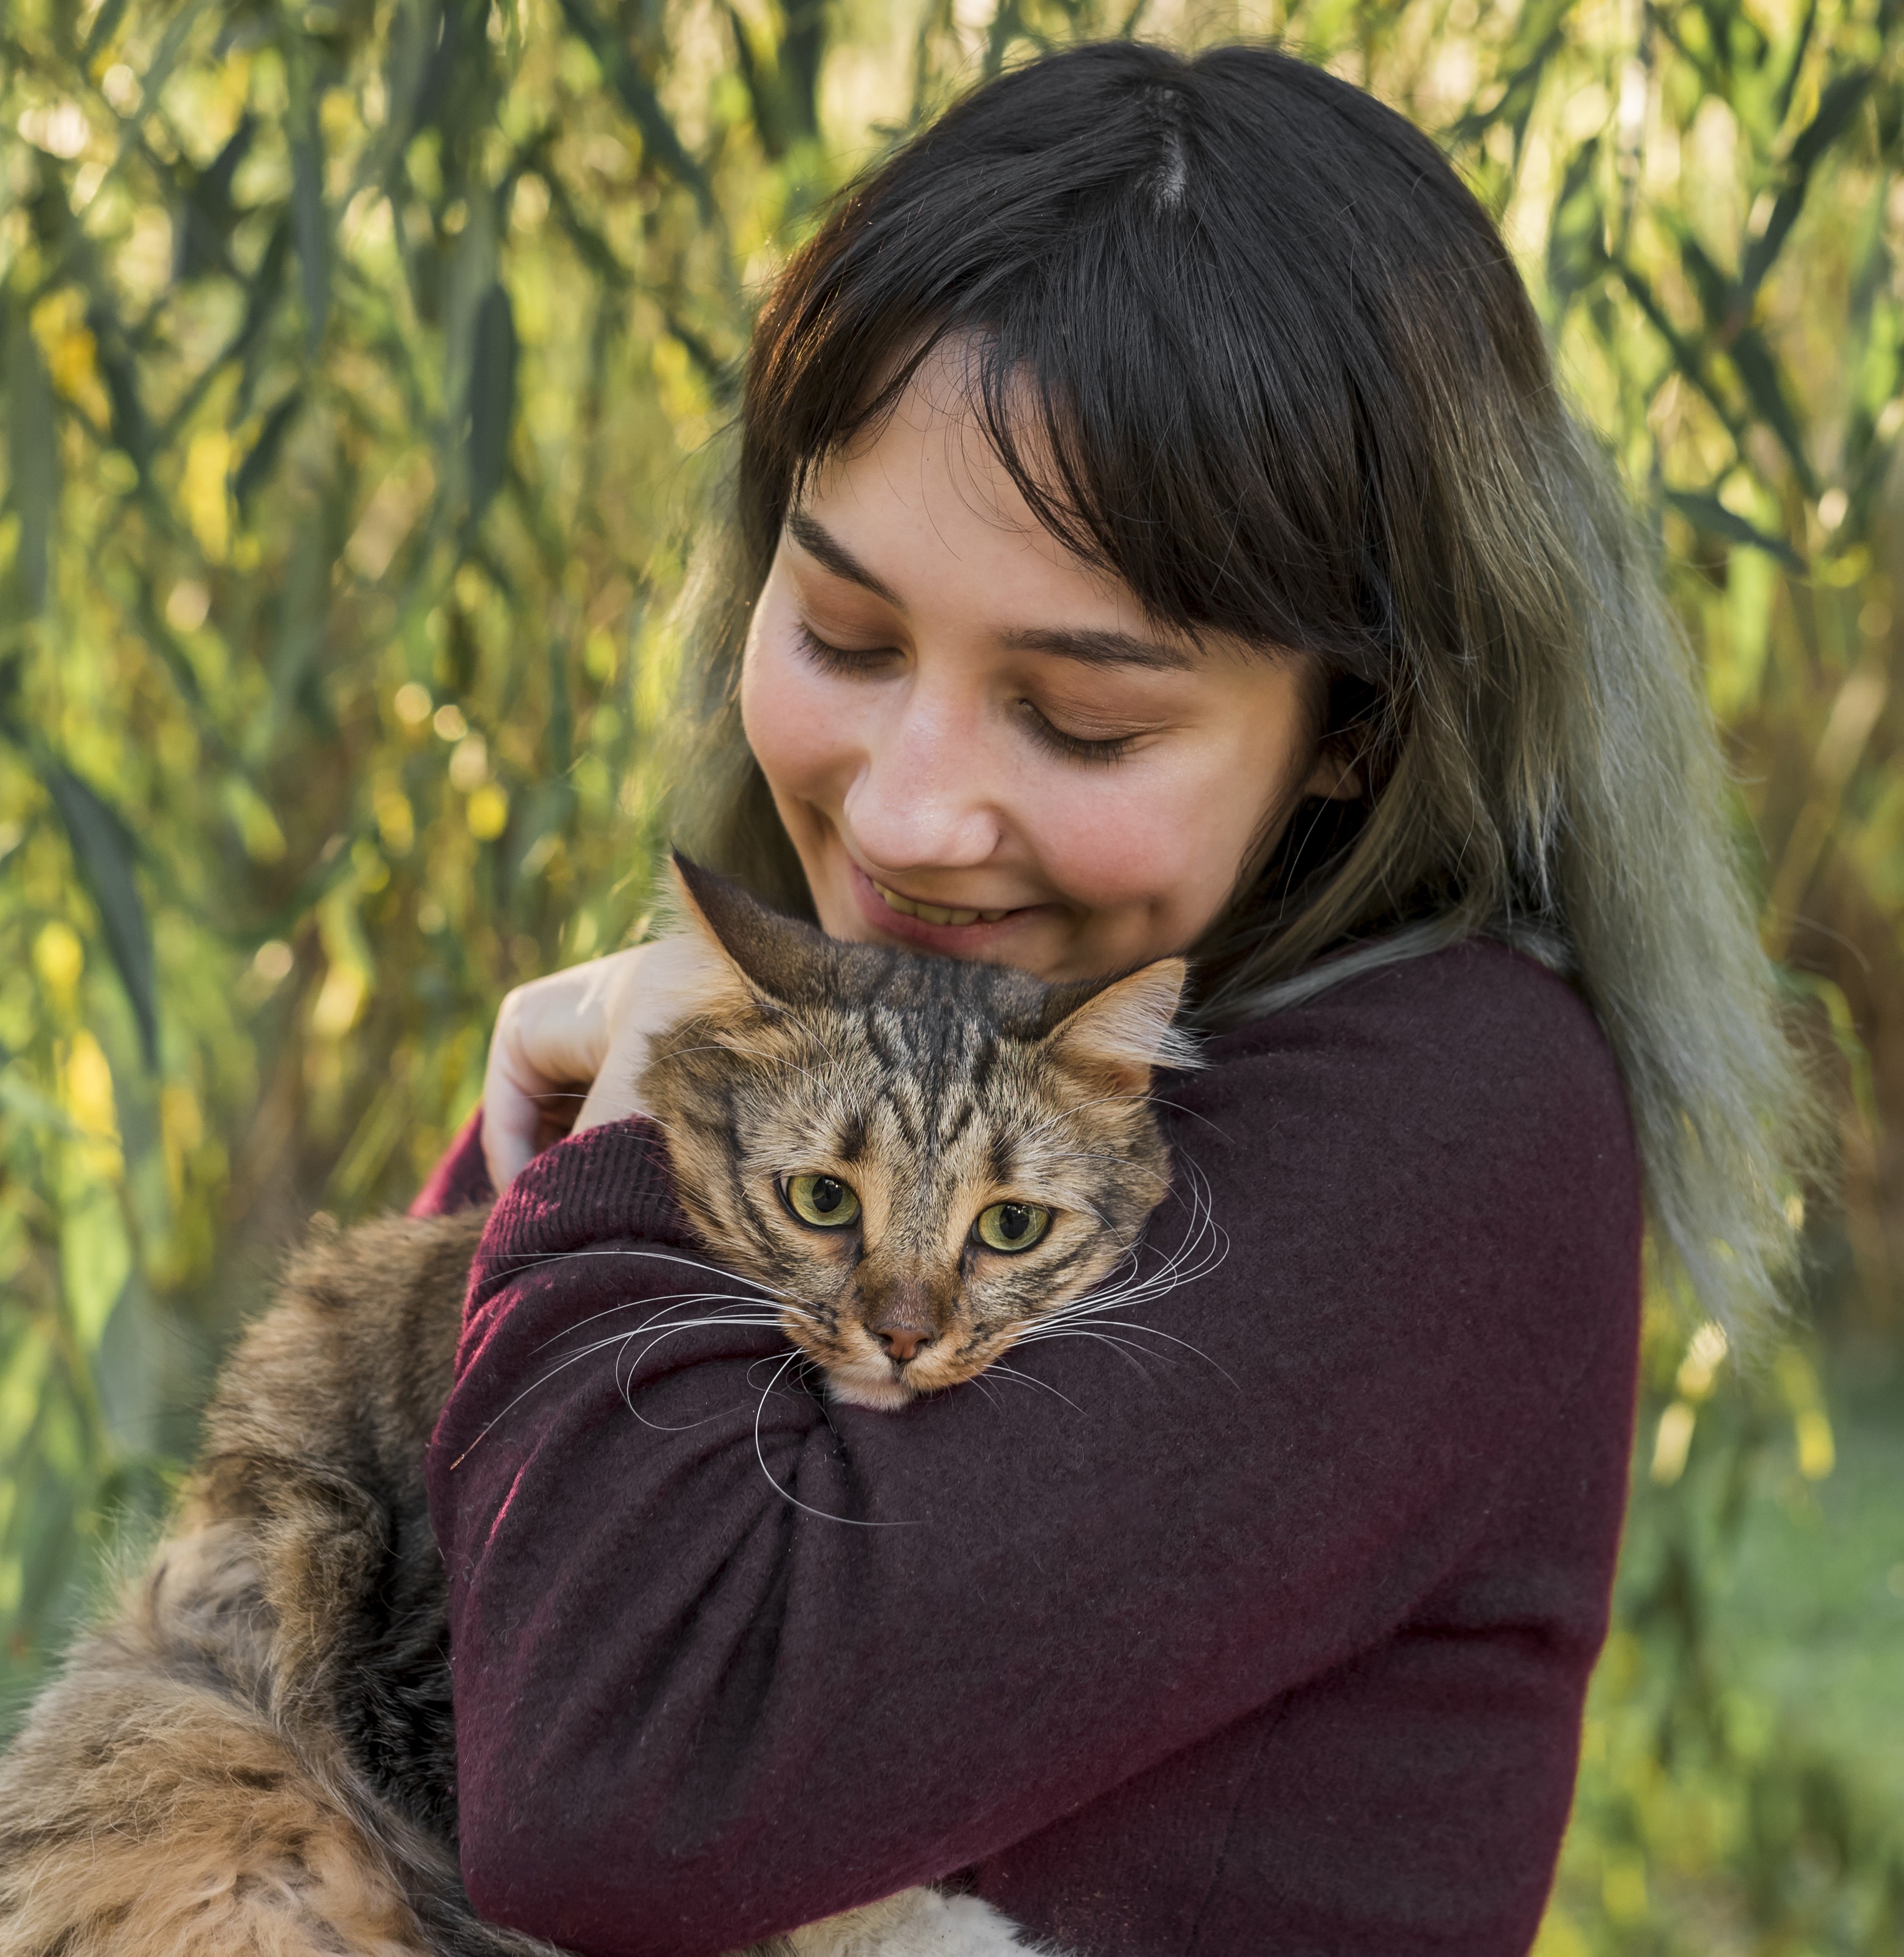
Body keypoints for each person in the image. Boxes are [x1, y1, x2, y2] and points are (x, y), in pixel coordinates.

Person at [410, 40, 1812, 1957]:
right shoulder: (856, 1024)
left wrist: (653, 1101)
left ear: (1353, 734)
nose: (906, 811)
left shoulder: (1455, 1121)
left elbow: (607, 1781)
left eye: (1081, 717)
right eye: (839, 630)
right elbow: (324, 1624)